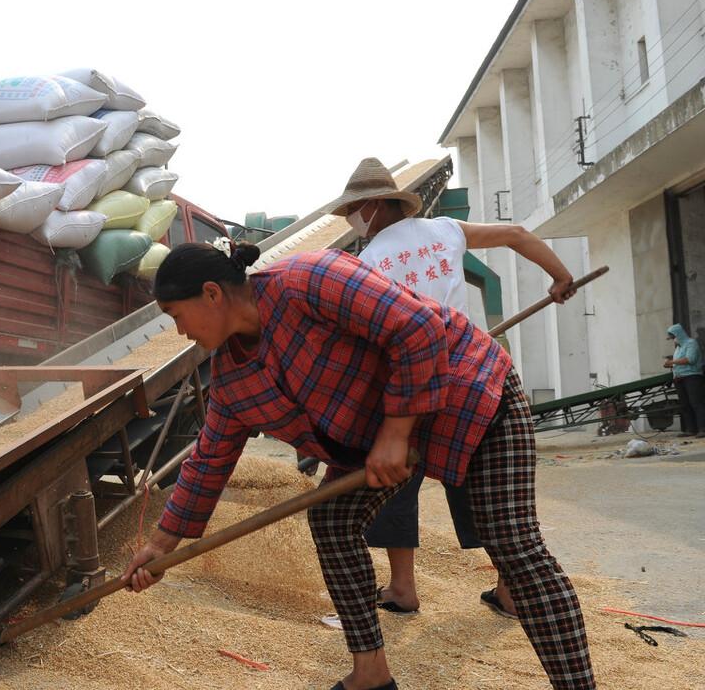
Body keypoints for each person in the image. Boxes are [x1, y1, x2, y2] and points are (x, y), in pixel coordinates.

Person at [122, 240, 595, 690]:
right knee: (333, 519)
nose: (181, 332)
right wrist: (162, 545)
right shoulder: (232, 379)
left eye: (176, 316)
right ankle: (370, 673)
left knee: (512, 544)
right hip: (378, 440)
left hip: (467, 391)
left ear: (211, 294)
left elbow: (419, 328)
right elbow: (209, 460)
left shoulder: (308, 279)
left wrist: (395, 432)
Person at [331, 157, 576, 620]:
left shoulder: (364, 265)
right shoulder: (446, 230)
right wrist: (559, 276)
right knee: (482, 477)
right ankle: (508, 588)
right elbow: (518, 234)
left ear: (376, 205)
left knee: (396, 481)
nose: (351, 221)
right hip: (469, 374)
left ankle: (402, 588)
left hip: (408, 385)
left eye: (353, 211)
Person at [665, 324, 704, 437]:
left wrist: (672, 362)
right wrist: (671, 364)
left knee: (696, 403)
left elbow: (690, 359)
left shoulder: (691, 343)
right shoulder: (678, 347)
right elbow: (678, 361)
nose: (673, 340)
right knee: (685, 405)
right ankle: (690, 429)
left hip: (692, 377)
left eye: (673, 337)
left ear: (679, 335)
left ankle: (702, 428)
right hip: (680, 378)